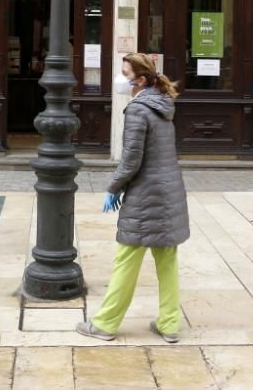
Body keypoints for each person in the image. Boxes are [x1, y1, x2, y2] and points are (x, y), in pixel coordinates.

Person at [76, 53, 190, 343]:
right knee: (167, 260)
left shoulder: (139, 109)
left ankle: (105, 323)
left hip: (145, 195)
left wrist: (113, 188)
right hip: (169, 191)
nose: (119, 77)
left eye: (124, 72)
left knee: (127, 258)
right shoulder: (163, 104)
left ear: (138, 80)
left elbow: (131, 160)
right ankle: (170, 323)